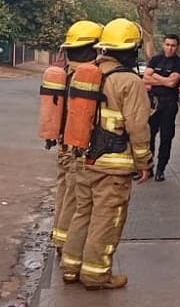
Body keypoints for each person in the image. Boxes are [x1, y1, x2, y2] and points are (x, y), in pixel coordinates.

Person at [60, 18, 153, 291]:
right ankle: (96, 275)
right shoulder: (129, 81)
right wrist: (144, 162)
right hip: (113, 167)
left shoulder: (85, 73)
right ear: (129, 50)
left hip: (83, 160)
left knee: (82, 214)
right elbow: (138, 126)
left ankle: (70, 268)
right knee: (107, 220)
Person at [50, 20, 103, 252]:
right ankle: (66, 243)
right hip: (78, 148)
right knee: (75, 197)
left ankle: (59, 237)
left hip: (63, 145)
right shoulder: (89, 77)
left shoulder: (63, 74)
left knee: (64, 191)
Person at [143, 33, 180, 182]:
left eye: (173, 46)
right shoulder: (155, 59)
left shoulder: (179, 63)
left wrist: (155, 76)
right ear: (163, 45)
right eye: (167, 45)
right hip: (154, 104)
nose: (170, 48)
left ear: (177, 47)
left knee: (166, 138)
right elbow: (145, 79)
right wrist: (164, 79)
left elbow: (171, 84)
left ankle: (161, 169)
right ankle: (147, 168)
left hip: (169, 104)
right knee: (149, 137)